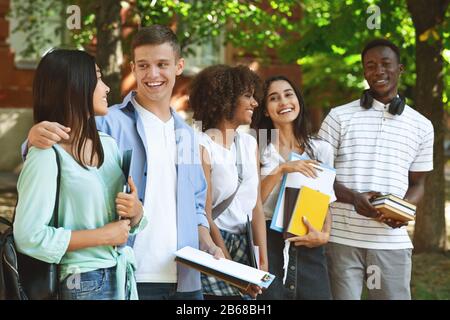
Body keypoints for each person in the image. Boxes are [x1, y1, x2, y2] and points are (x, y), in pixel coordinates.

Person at [25, 25, 223, 300]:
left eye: (162, 64)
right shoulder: (106, 122)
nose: (152, 74)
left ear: (179, 66)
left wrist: (209, 243)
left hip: (186, 283)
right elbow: (53, 145)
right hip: (129, 277)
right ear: (133, 67)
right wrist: (33, 135)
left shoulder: (189, 137)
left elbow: (197, 205)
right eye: (143, 65)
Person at [14, 49, 146, 300]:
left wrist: (136, 212)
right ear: (74, 86)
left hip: (122, 278)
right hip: (80, 283)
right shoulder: (45, 155)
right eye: (98, 78)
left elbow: (125, 221)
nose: (107, 88)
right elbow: (29, 236)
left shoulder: (108, 145)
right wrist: (103, 236)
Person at [318, 39, 434, 300]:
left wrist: (402, 211)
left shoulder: (423, 125)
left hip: (391, 243)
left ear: (400, 68)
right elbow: (319, 175)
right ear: (364, 73)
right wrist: (353, 198)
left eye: (385, 64)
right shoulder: (337, 116)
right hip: (341, 239)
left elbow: (418, 184)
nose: (378, 71)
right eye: (370, 65)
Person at [251, 75, 334, 300]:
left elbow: (326, 201)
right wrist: (281, 169)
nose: (284, 102)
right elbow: (253, 202)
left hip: (308, 241)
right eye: (274, 98)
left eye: (289, 94)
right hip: (269, 243)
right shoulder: (257, 149)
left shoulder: (321, 149)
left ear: (298, 100)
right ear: (266, 110)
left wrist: (325, 234)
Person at [189, 65, 268, 300]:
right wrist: (232, 271)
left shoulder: (250, 144)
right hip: (214, 246)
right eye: (247, 96)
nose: (255, 103)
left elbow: (256, 207)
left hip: (246, 244)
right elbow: (205, 213)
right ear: (224, 98)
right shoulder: (201, 145)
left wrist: (262, 259)